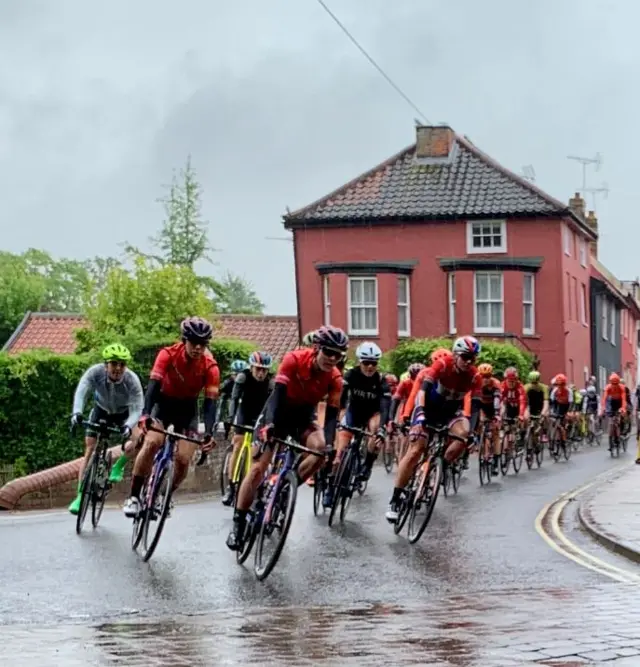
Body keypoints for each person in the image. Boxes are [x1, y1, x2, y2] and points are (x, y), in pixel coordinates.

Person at [226, 325, 348, 551]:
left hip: (303, 418)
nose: (332, 358)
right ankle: (238, 524)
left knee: (321, 450)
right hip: (277, 414)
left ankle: (285, 486)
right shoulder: (294, 360)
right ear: (317, 348)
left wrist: (331, 445)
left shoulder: (335, 379)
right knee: (256, 470)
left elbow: (331, 417)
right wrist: (269, 425)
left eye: (337, 355)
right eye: (328, 352)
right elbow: (276, 396)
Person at [123, 317, 220, 518]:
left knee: (184, 459)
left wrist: (209, 433)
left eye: (203, 345)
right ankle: (133, 496)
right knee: (152, 443)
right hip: (163, 404)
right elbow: (153, 387)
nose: (198, 348)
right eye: (194, 343)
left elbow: (210, 404)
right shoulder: (167, 355)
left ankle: (165, 495)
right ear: (184, 340)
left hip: (188, 410)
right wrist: (146, 414)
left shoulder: (211, 367)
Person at [386, 336, 482, 523]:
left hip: (450, 413)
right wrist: (419, 413)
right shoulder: (442, 365)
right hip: (427, 409)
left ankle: (441, 466)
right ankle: (395, 500)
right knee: (416, 450)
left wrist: (473, 432)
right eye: (465, 357)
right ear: (455, 355)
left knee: (463, 436)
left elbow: (475, 407)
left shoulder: (474, 376)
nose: (468, 362)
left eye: (472, 358)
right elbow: (421, 391)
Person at [68, 343, 143, 515]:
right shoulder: (95, 372)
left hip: (124, 414)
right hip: (101, 410)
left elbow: (138, 408)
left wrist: (128, 425)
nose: (118, 368)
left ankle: (119, 466)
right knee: (89, 449)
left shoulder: (132, 380)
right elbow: (82, 391)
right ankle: (80, 496)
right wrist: (77, 413)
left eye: (122, 364)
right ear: (106, 364)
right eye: (114, 363)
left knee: (138, 439)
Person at [323, 342, 391, 507]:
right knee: (339, 454)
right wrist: (338, 420)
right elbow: (340, 400)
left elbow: (384, 408)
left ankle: (367, 464)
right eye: (366, 362)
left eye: (373, 363)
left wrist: (382, 429)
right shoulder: (350, 376)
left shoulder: (381, 381)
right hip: (353, 413)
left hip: (372, 415)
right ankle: (330, 489)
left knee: (375, 431)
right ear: (359, 362)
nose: (369, 366)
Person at [221, 351, 274, 507]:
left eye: (264, 370)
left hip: (261, 416)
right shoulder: (242, 377)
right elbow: (234, 399)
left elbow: (272, 406)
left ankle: (260, 489)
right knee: (238, 444)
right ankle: (231, 487)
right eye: (257, 369)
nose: (260, 373)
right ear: (251, 367)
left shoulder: (271, 382)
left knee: (260, 453)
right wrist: (231, 419)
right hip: (244, 413)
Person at [465, 363, 501, 475]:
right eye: (483, 376)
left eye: (488, 376)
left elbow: (497, 400)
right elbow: (473, 401)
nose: (485, 379)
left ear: (491, 376)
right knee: (478, 426)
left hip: (493, 407)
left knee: (495, 432)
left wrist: (496, 414)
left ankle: (495, 461)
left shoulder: (495, 384)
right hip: (481, 406)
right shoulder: (476, 383)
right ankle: (477, 449)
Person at [218, 360, 248, 439]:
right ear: (232, 374)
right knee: (226, 404)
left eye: (240, 374)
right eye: (236, 374)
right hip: (230, 399)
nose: (238, 377)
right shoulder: (228, 382)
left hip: (241, 401)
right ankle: (225, 425)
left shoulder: (246, 382)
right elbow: (220, 390)